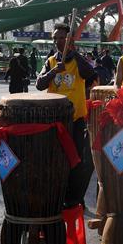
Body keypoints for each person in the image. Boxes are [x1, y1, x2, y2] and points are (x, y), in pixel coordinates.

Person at [36, 23, 98, 210]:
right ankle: (58, 195)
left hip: (76, 119)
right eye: (55, 38)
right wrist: (55, 71)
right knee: (57, 159)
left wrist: (74, 53)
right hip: (56, 122)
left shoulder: (78, 61)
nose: (57, 41)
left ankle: (75, 198)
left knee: (76, 161)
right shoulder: (51, 62)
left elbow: (90, 74)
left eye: (62, 38)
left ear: (69, 40)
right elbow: (40, 84)